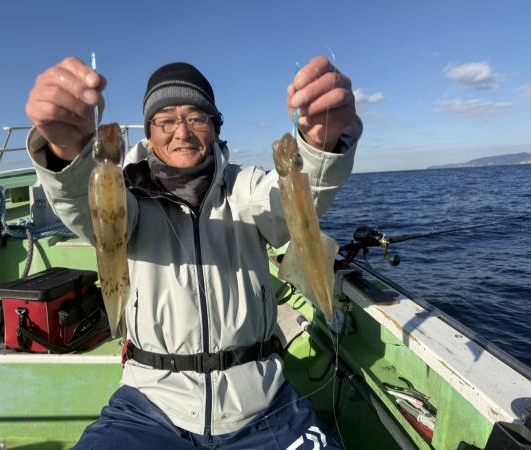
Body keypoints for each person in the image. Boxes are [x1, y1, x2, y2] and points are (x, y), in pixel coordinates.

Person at [26, 56, 362, 449]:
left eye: (196, 118)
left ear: (215, 127)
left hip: (263, 402)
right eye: (165, 120)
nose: (181, 132)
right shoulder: (128, 193)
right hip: (149, 404)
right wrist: (68, 152)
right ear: (149, 134)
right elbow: (89, 209)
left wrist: (321, 143)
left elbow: (293, 201)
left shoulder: (246, 187)